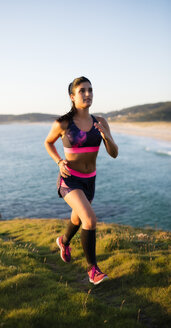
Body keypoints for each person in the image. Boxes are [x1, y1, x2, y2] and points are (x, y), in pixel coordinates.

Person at [44, 76, 118, 285]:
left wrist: (106, 137)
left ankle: (63, 242)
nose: (88, 94)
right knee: (90, 220)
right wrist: (59, 161)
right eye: (82, 91)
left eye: (90, 90)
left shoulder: (100, 122)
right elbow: (48, 143)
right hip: (70, 180)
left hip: (90, 181)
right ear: (72, 97)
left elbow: (114, 153)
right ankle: (92, 270)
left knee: (78, 219)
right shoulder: (63, 123)